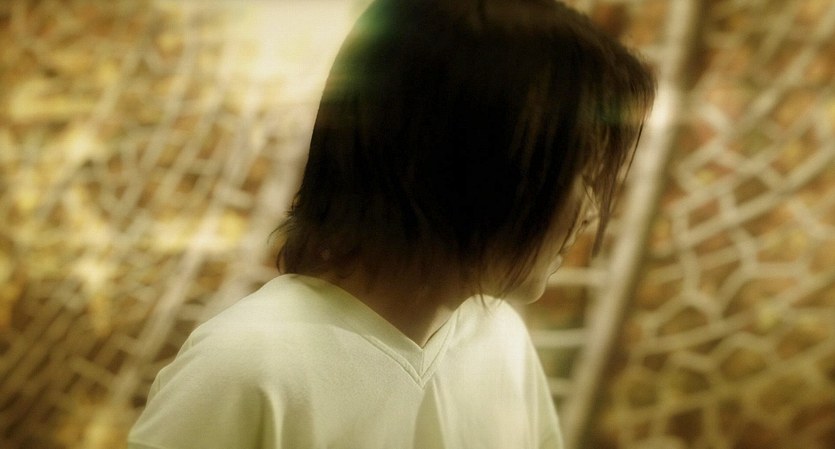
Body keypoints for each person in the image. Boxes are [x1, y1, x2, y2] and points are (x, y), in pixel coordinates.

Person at [128, 0, 655, 447]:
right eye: (581, 172)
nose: (592, 211)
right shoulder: (246, 367)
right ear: (479, 163)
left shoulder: (501, 341)